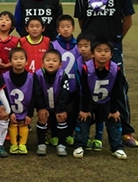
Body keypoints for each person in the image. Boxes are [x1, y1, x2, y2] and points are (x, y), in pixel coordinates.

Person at [74, 0, 138, 148]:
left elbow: (127, 20)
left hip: (112, 48)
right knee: (85, 86)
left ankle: (126, 131)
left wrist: (115, 42)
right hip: (90, 50)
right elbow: (82, 21)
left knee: (119, 88)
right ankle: (81, 131)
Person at [72, 38, 128, 160]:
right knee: (83, 118)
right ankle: (79, 145)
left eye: (106, 51)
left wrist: (113, 109)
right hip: (89, 98)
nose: (103, 54)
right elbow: (85, 90)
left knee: (114, 119)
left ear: (111, 54)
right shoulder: (86, 68)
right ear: (92, 53)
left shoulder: (115, 69)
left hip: (107, 99)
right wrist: (85, 109)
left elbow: (116, 91)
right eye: (99, 51)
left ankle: (117, 147)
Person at [1, 47, 38, 158]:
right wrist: (10, 111)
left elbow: (33, 97)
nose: (18, 61)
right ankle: (13, 144)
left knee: (23, 124)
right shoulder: (5, 77)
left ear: (26, 61)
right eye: (15, 58)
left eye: (21, 58)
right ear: (10, 61)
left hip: (25, 109)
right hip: (12, 109)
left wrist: (30, 114)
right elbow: (5, 96)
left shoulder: (32, 77)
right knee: (13, 124)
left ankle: (22, 144)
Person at [34, 49, 70, 157]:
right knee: (42, 118)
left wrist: (60, 109)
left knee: (61, 118)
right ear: (42, 62)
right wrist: (41, 107)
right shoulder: (38, 74)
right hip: (44, 105)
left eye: (54, 61)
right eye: (48, 60)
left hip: (58, 105)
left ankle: (61, 145)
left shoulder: (63, 75)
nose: (51, 62)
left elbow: (64, 93)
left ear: (60, 64)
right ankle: (41, 144)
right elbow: (37, 93)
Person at [50, 15, 80, 145]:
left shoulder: (79, 45)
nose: (65, 29)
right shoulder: (53, 44)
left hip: (74, 85)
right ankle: (54, 133)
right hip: (58, 85)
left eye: (68, 26)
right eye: (62, 27)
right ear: (57, 29)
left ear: (73, 28)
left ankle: (69, 133)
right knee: (56, 108)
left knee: (72, 111)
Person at [76, 32, 104, 151]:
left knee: (100, 115)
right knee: (85, 116)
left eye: (86, 46)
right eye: (80, 46)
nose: (83, 49)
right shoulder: (78, 61)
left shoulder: (98, 61)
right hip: (84, 95)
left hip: (99, 94)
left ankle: (98, 138)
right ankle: (85, 138)